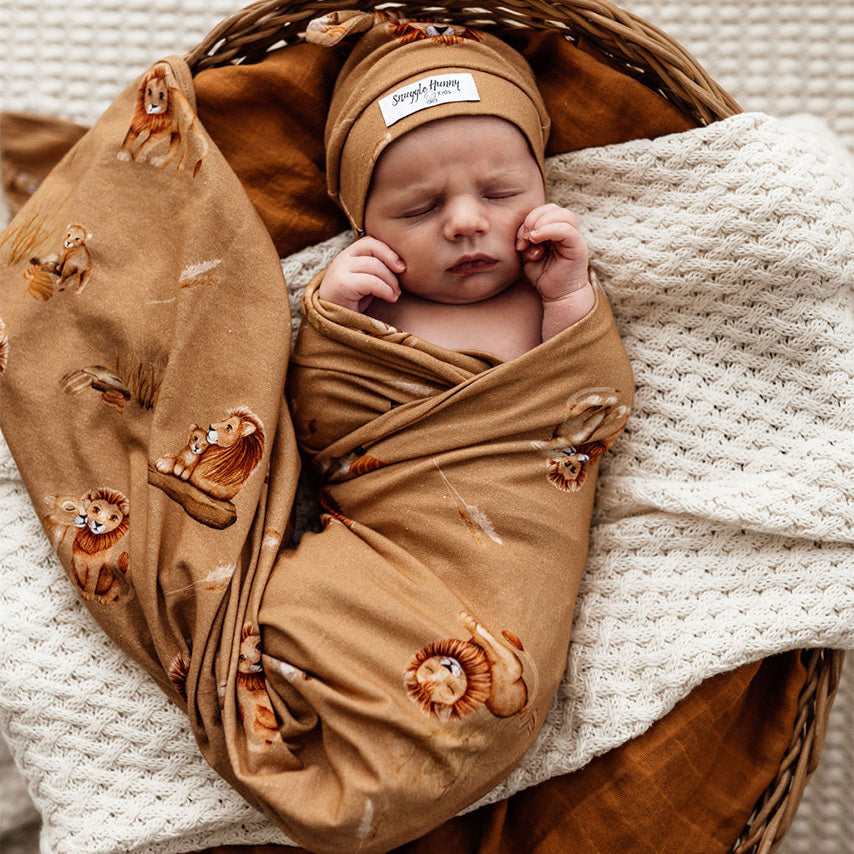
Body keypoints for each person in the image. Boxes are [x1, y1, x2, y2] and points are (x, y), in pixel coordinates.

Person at [309, 12, 596, 361]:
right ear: (359, 222)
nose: (466, 223)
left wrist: (567, 297)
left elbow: (596, 390)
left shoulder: (555, 288)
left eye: (499, 193)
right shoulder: (361, 304)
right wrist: (336, 321)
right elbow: (316, 406)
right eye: (420, 208)